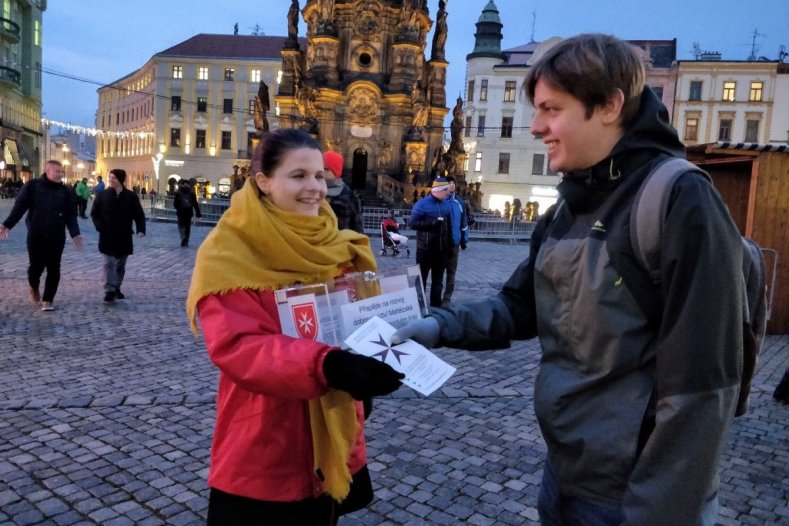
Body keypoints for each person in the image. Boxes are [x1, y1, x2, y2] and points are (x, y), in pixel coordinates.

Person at [393, 34, 744, 525]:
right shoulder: (569, 206)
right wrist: (439, 326)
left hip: (632, 497)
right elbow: (521, 306)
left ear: (609, 106)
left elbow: (703, 388)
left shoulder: (680, 200)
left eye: (551, 109)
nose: (536, 127)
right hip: (566, 476)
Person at [186, 128, 403, 525]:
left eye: (320, 176)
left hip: (332, 431)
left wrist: (375, 357)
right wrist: (328, 366)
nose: (315, 188)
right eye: (298, 176)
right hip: (264, 441)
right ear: (263, 181)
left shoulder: (336, 242)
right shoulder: (229, 250)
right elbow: (239, 346)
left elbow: (350, 322)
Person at [0, 160, 84, 311]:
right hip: (36, 232)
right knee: (35, 267)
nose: (60, 174)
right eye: (57, 171)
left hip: (57, 234)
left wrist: (75, 233)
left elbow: (71, 215)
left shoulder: (66, 191)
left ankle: (48, 299)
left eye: (62, 171)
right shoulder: (32, 186)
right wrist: (7, 225)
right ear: (48, 170)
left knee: (54, 267)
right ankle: (34, 286)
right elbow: (19, 207)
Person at [90, 168, 146, 302]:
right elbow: (94, 213)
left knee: (120, 264)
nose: (110, 180)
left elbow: (138, 214)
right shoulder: (102, 195)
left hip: (124, 235)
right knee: (108, 263)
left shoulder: (131, 196)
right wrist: (99, 226)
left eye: (113, 178)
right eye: (110, 178)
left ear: (120, 180)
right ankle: (109, 290)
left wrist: (140, 229)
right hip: (107, 234)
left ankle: (117, 287)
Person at [408, 176, 461, 308]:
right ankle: (419, 307)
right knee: (421, 281)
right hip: (425, 250)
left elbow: (449, 227)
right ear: (439, 190)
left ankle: (435, 308)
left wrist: (450, 246)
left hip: (441, 251)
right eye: (446, 191)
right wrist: (431, 223)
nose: (447, 194)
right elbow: (412, 223)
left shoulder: (446, 205)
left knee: (438, 283)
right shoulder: (422, 204)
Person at [441, 175, 469, 308]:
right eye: (449, 182)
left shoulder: (460, 202)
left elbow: (464, 223)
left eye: (453, 183)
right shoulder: (440, 200)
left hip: (454, 241)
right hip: (440, 242)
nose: (452, 185)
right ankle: (435, 296)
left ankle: (447, 298)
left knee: (451, 272)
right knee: (439, 270)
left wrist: (464, 239)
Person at [323, 151, 364, 233]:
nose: (320, 172)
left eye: (325, 169)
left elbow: (358, 231)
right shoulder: (311, 190)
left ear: (335, 172)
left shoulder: (350, 198)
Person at [173, 179, 202, 247]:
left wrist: (178, 208)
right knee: (187, 226)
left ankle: (183, 236)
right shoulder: (192, 193)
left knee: (181, 225)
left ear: (181, 184)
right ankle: (186, 240)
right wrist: (198, 214)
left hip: (181, 212)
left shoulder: (178, 192)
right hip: (189, 212)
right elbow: (195, 204)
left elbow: (175, 204)